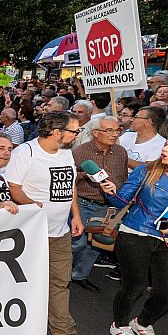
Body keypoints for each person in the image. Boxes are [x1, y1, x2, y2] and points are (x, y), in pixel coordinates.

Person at [6, 111, 100, 335]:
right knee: (21, 284)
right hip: (30, 234)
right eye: (74, 131)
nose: (77, 135)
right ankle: (12, 332)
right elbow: (13, 187)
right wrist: (33, 208)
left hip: (60, 233)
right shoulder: (25, 153)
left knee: (60, 284)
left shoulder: (67, 154)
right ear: (58, 132)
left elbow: (69, 187)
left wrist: (76, 216)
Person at [101, 140, 168, 335]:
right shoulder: (146, 171)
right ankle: (119, 325)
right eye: (166, 144)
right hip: (136, 233)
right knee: (135, 287)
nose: (164, 149)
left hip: (164, 242)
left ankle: (142, 323)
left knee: (165, 293)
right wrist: (111, 191)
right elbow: (121, 201)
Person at [69, 118, 128, 292]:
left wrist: (122, 200)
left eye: (117, 130)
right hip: (83, 203)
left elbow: (124, 178)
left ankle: (79, 275)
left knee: (97, 244)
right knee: (77, 242)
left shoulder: (120, 152)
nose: (115, 134)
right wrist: (84, 176)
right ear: (95, 133)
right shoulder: (79, 152)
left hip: (109, 206)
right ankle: (59, 276)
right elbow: (70, 178)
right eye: (109, 131)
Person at [119, 106, 166, 171]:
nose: (131, 120)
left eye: (136, 117)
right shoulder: (127, 136)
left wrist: (121, 157)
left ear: (148, 122)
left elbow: (148, 168)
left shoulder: (161, 144)